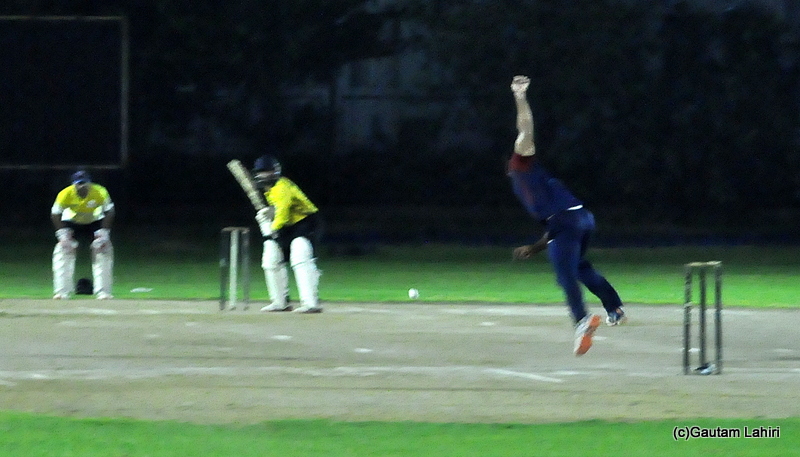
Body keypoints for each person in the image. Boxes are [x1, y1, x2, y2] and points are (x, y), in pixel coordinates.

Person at [506, 75, 625, 356]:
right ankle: (614, 308)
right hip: (581, 218)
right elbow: (555, 228)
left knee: (565, 276)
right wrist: (534, 248)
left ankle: (582, 321)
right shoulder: (537, 187)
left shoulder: (521, 162)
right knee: (579, 267)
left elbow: (525, 129)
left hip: (566, 221)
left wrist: (520, 96)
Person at [251, 155, 322, 314]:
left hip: (305, 222)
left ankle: (311, 302)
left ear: (275, 172)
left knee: (300, 256)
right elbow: (279, 212)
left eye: (266, 171)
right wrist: (269, 217)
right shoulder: (268, 190)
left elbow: (282, 213)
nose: (263, 175)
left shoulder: (282, 186)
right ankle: (279, 302)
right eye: (261, 172)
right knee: (270, 260)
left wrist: (271, 230)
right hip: (288, 225)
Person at [51, 170, 115, 300]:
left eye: (84, 183)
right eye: (79, 184)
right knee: (63, 250)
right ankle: (62, 291)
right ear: (74, 184)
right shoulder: (65, 193)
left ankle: (103, 291)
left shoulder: (99, 191)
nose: (82, 186)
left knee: (103, 249)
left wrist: (104, 233)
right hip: (72, 222)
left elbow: (110, 211)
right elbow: (55, 214)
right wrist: (62, 235)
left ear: (89, 184)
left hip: (94, 221)